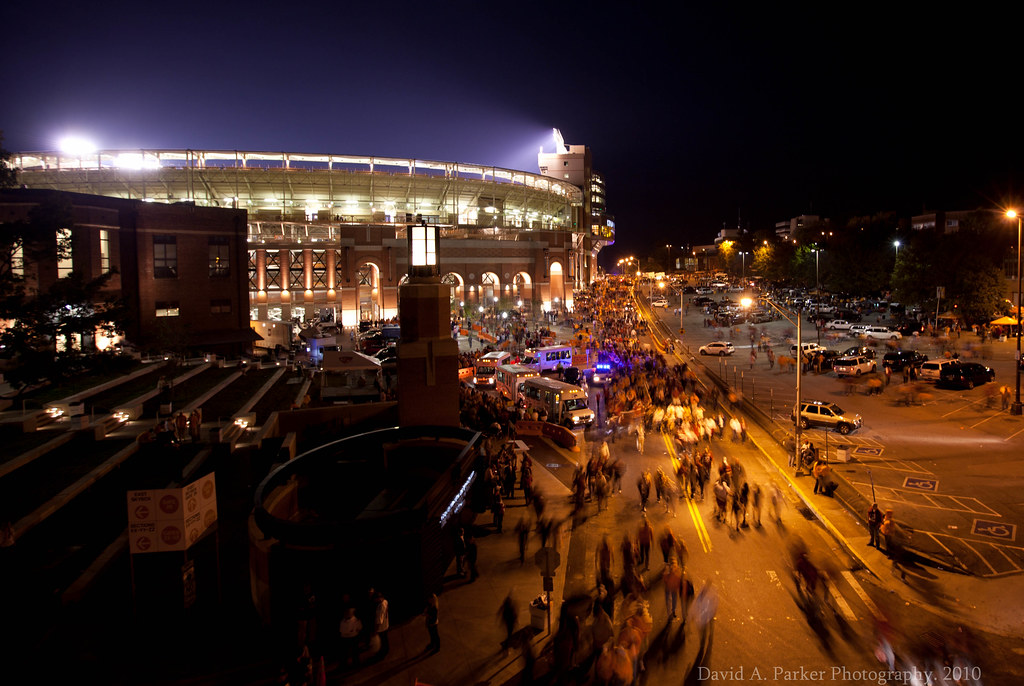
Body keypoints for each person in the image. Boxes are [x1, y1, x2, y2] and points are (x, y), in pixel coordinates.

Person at [373, 591, 390, 660]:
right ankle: (386, 650)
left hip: (382, 628)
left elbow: (379, 621)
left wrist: (375, 630)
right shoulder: (385, 601)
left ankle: (383, 652)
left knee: (383, 640)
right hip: (386, 625)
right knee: (385, 639)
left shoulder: (380, 606)